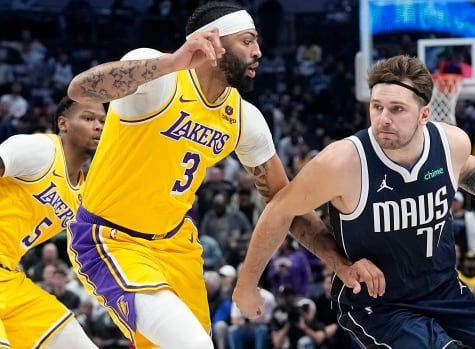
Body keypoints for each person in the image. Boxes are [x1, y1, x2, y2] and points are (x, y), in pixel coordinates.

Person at [65, 2, 382, 348]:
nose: (258, 52)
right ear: (213, 42)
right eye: (247, 41)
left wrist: (340, 263)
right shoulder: (160, 79)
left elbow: (286, 204)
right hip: (111, 239)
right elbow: (80, 91)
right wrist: (173, 61)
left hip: (176, 246)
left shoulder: (245, 120)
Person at [233, 55, 475, 348]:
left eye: (397, 109)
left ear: (424, 114)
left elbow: (465, 168)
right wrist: (248, 285)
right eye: (376, 107)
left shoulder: (451, 144)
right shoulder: (342, 162)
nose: (383, 119)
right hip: (378, 305)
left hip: (443, 291)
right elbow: (281, 210)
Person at [0, 96, 104, 348]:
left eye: (103, 120)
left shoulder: (84, 194)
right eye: (88, 118)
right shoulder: (41, 150)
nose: (99, 126)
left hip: (8, 278)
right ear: (63, 123)